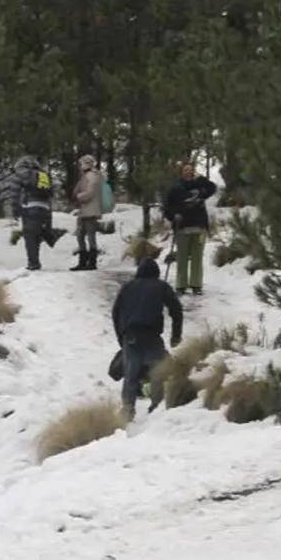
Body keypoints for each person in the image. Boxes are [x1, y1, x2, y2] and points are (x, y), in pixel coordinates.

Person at [112, 258, 183, 418]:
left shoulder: (128, 287)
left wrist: (121, 337)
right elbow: (176, 310)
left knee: (130, 374)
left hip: (130, 337)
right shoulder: (161, 286)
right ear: (156, 274)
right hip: (152, 336)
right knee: (157, 372)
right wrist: (176, 335)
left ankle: (128, 409)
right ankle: (156, 407)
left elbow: (116, 312)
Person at [164, 163, 217, 295]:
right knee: (182, 258)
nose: (189, 172)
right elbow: (167, 207)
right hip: (182, 227)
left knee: (197, 258)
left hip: (199, 227)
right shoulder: (175, 188)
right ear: (181, 172)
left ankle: (196, 285)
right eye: (186, 170)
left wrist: (200, 178)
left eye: (191, 170)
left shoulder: (200, 186)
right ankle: (181, 285)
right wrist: (173, 216)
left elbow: (213, 187)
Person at [8, 155, 63, 271]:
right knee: (38, 234)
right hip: (45, 208)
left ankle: (33, 263)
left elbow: (14, 193)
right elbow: (51, 192)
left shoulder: (20, 173)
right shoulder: (43, 174)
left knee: (30, 236)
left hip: (29, 207)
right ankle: (50, 237)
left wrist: (15, 210)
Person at [71, 154, 102, 271]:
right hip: (84, 210)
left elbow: (90, 192)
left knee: (90, 237)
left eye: (82, 163)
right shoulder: (87, 176)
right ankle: (83, 262)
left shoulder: (93, 176)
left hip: (90, 210)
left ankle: (91, 262)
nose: (81, 166)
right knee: (80, 236)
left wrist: (79, 196)